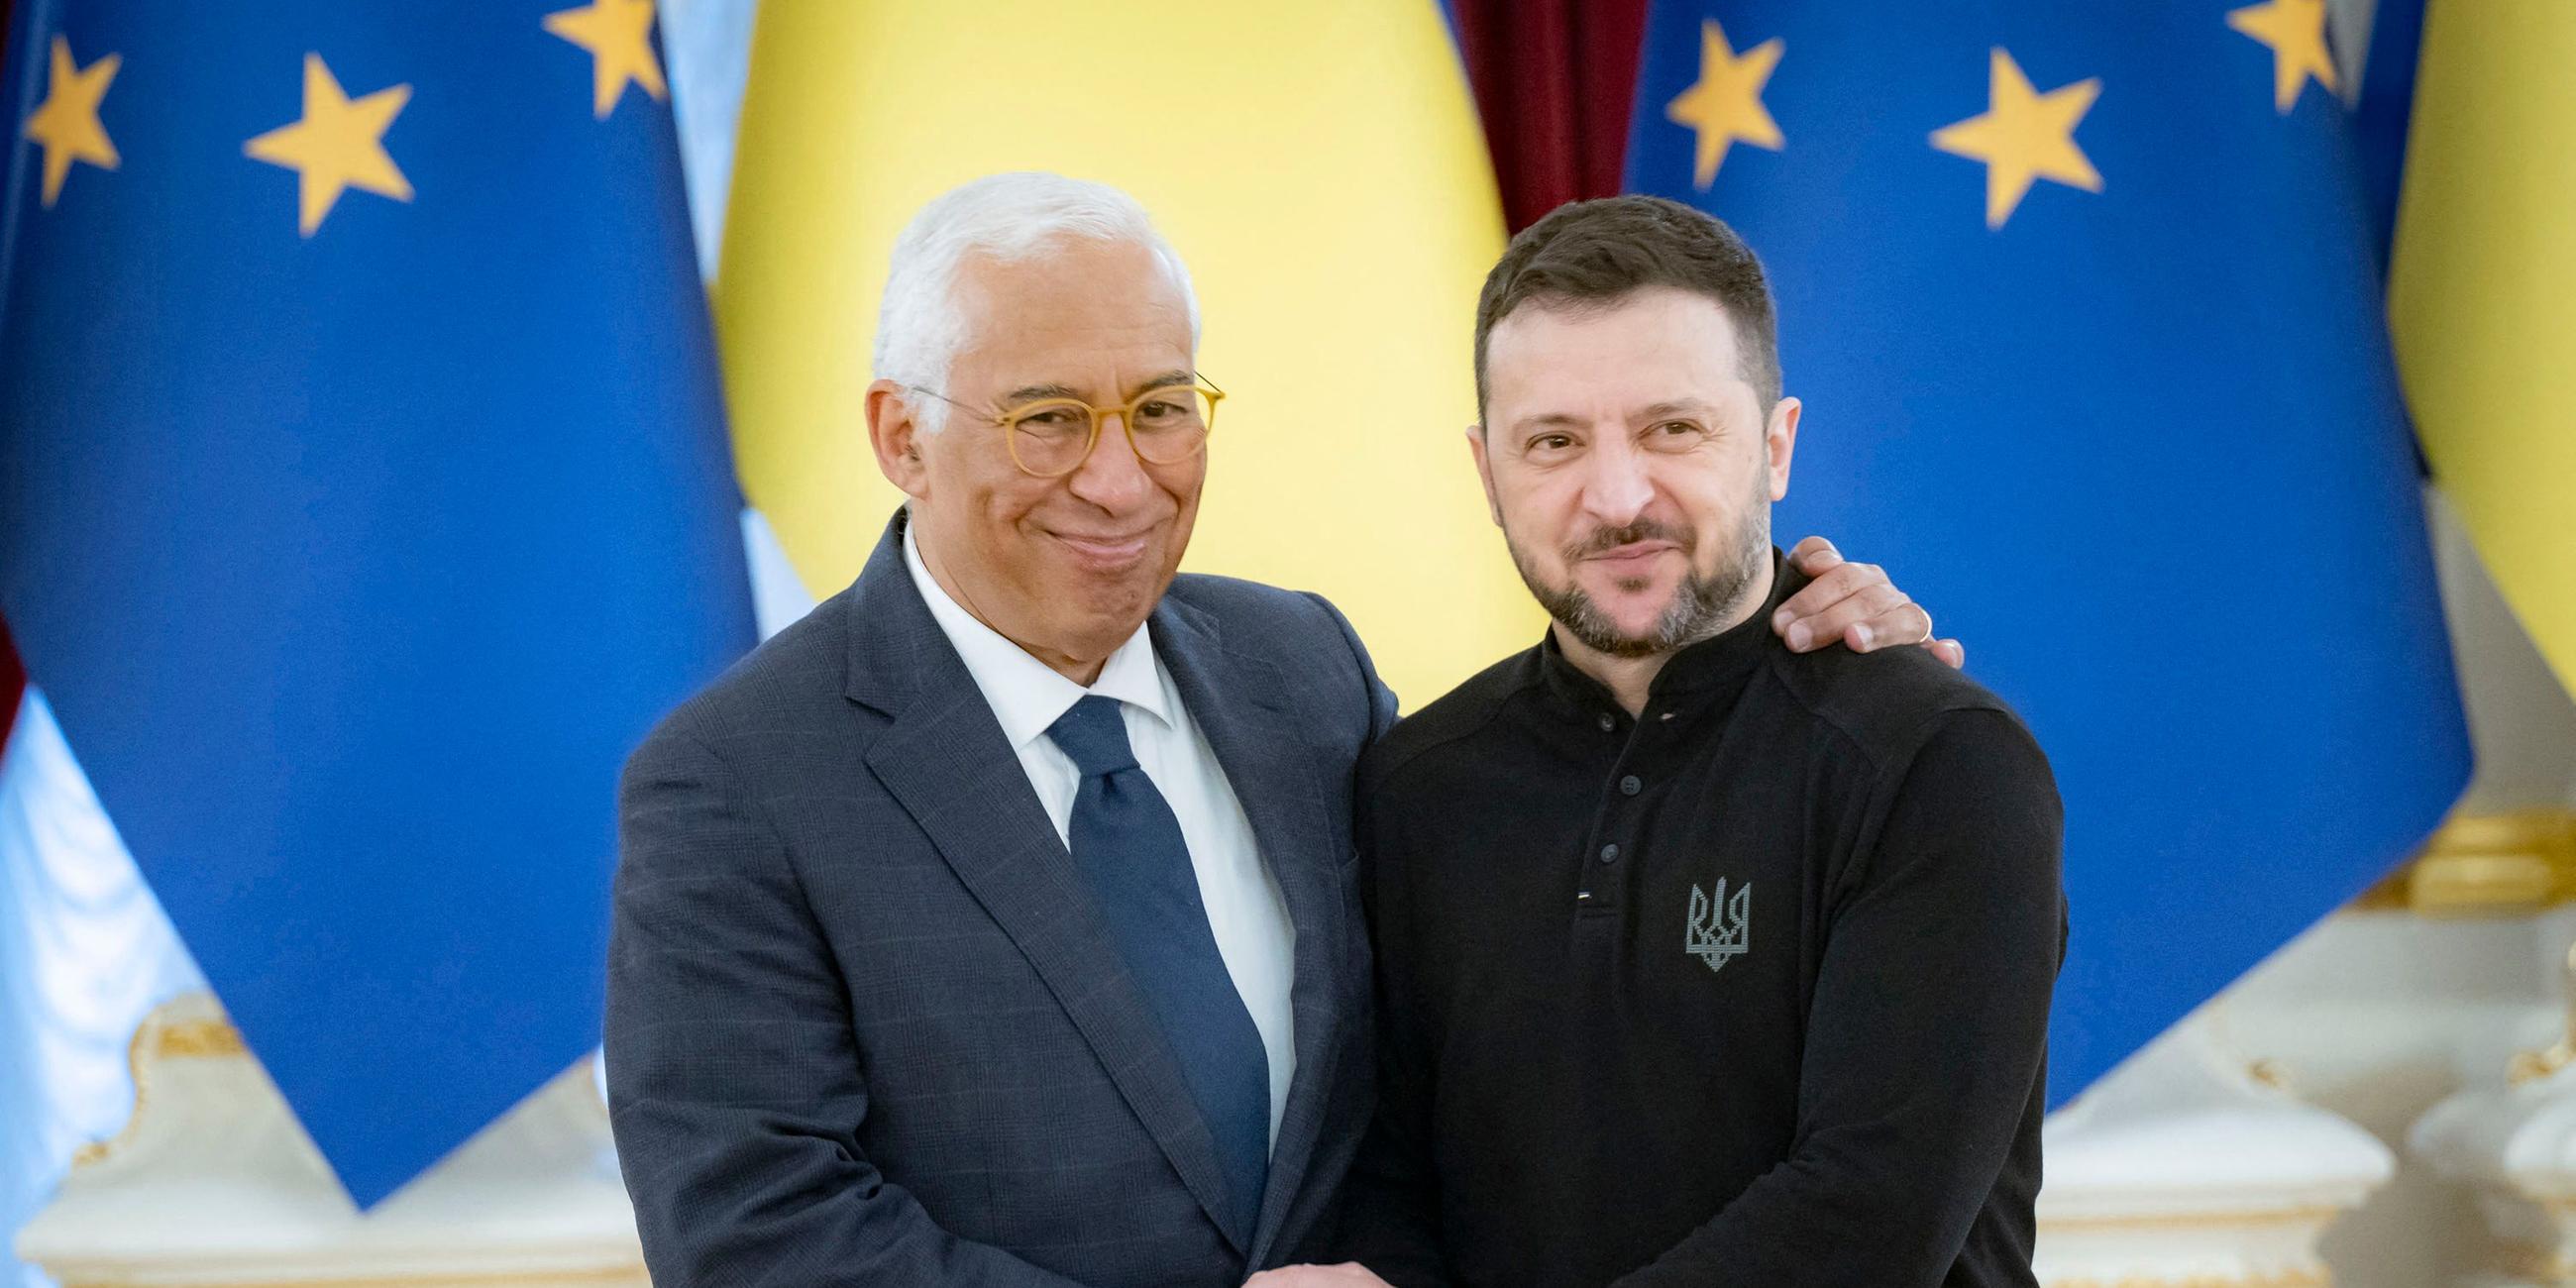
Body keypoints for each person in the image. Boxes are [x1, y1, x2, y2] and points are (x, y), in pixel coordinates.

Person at [604, 172, 1954, 1286]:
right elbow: (756, 1238)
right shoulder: (735, 782)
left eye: (1160, 407)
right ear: (902, 435)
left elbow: (1446, 1053)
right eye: (1048, 420)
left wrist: (1798, 655)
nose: (1119, 475)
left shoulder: (1299, 670)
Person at [1295, 196, 2066, 1288]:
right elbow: (1385, 1180)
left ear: (1775, 444)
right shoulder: (1418, 783)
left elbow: (1867, 1217)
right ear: (1484, 473)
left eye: (1671, 428)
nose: (1615, 497)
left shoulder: (1936, 762)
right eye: (1552, 441)